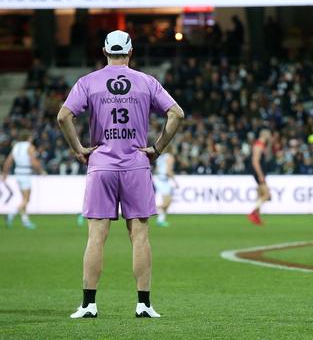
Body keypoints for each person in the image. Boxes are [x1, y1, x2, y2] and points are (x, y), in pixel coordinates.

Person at [58, 30, 184, 319]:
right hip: (136, 163)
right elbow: (177, 113)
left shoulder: (88, 82)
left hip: (101, 163)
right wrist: (158, 148)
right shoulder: (146, 82)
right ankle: (143, 304)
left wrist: (78, 148)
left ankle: (89, 305)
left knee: (95, 238)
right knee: (139, 236)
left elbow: (63, 116)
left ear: (104, 51)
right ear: (131, 51)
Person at [1, 130, 45, 229]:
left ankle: (25, 221)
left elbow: (8, 161)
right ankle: (11, 214)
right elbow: (33, 160)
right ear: (29, 137)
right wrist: (40, 170)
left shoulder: (16, 146)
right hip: (25, 173)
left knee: (23, 198)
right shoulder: (30, 147)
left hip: (18, 173)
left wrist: (5, 173)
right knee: (26, 199)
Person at [248, 129, 271, 225]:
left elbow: (268, 157)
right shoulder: (258, 146)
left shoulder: (262, 146)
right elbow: (255, 161)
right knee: (267, 195)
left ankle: (256, 216)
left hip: (260, 172)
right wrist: (260, 175)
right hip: (259, 173)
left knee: (260, 195)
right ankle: (253, 212)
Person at [154, 147, 177, 228]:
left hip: (158, 179)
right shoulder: (170, 157)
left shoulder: (160, 157)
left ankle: (161, 220)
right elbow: (168, 171)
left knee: (167, 201)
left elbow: (156, 169)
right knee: (167, 202)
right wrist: (175, 182)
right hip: (163, 180)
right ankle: (152, 209)